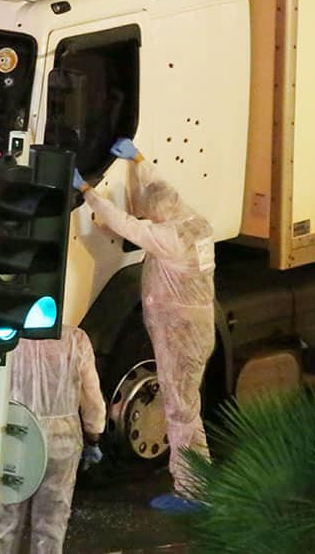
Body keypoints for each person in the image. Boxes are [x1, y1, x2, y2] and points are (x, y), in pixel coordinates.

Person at [74, 138, 215, 514]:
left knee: (181, 412)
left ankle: (194, 490)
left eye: (151, 216)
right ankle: (197, 483)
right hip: (193, 330)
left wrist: (87, 192)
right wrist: (139, 161)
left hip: (180, 335)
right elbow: (162, 191)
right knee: (186, 407)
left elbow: (124, 223)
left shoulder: (169, 238)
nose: (148, 219)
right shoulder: (193, 220)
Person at [0, 325, 106, 553]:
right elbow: (91, 396)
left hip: (13, 439)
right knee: (51, 524)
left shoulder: (3, 337)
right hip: (61, 442)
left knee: (3, 524)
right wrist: (94, 435)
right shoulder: (76, 339)